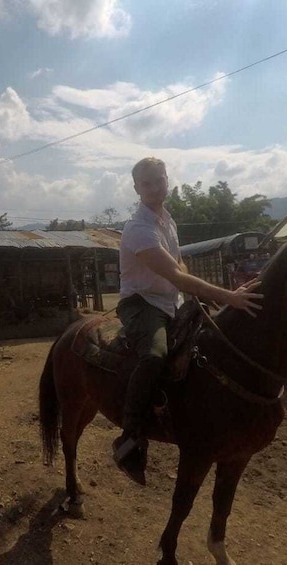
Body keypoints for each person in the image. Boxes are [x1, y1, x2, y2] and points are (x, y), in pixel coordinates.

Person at [113, 157, 263, 485]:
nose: (154, 188)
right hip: (142, 304)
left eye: (159, 180)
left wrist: (207, 298)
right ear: (137, 188)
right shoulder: (138, 228)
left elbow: (180, 268)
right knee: (155, 355)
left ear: (167, 181)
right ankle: (130, 436)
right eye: (146, 183)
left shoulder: (167, 220)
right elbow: (175, 277)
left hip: (171, 301)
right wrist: (230, 297)